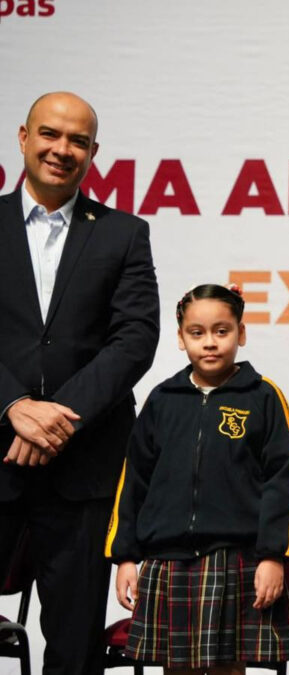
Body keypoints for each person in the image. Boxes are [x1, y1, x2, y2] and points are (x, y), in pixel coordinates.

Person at [0, 91, 159, 674]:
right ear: (23, 137)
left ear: (94, 152)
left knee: (73, 647)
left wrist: (54, 417)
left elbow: (135, 340)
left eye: (77, 141)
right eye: (49, 134)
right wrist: (13, 405)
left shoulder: (123, 233)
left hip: (85, 467)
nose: (61, 150)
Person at [106, 284, 289, 674]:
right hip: (169, 562)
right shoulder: (162, 400)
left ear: (241, 334)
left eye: (221, 331)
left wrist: (273, 556)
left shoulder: (263, 397)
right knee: (176, 667)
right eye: (197, 333)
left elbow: (284, 481)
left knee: (228, 667)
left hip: (237, 560)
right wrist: (126, 556)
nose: (209, 343)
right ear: (180, 339)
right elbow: (134, 482)